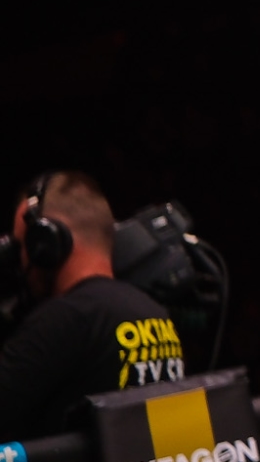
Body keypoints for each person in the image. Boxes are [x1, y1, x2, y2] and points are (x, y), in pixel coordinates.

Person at [0, 173, 184, 440]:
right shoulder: (155, 313)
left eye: (23, 247)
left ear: (46, 242)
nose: (22, 262)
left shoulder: (65, 319)